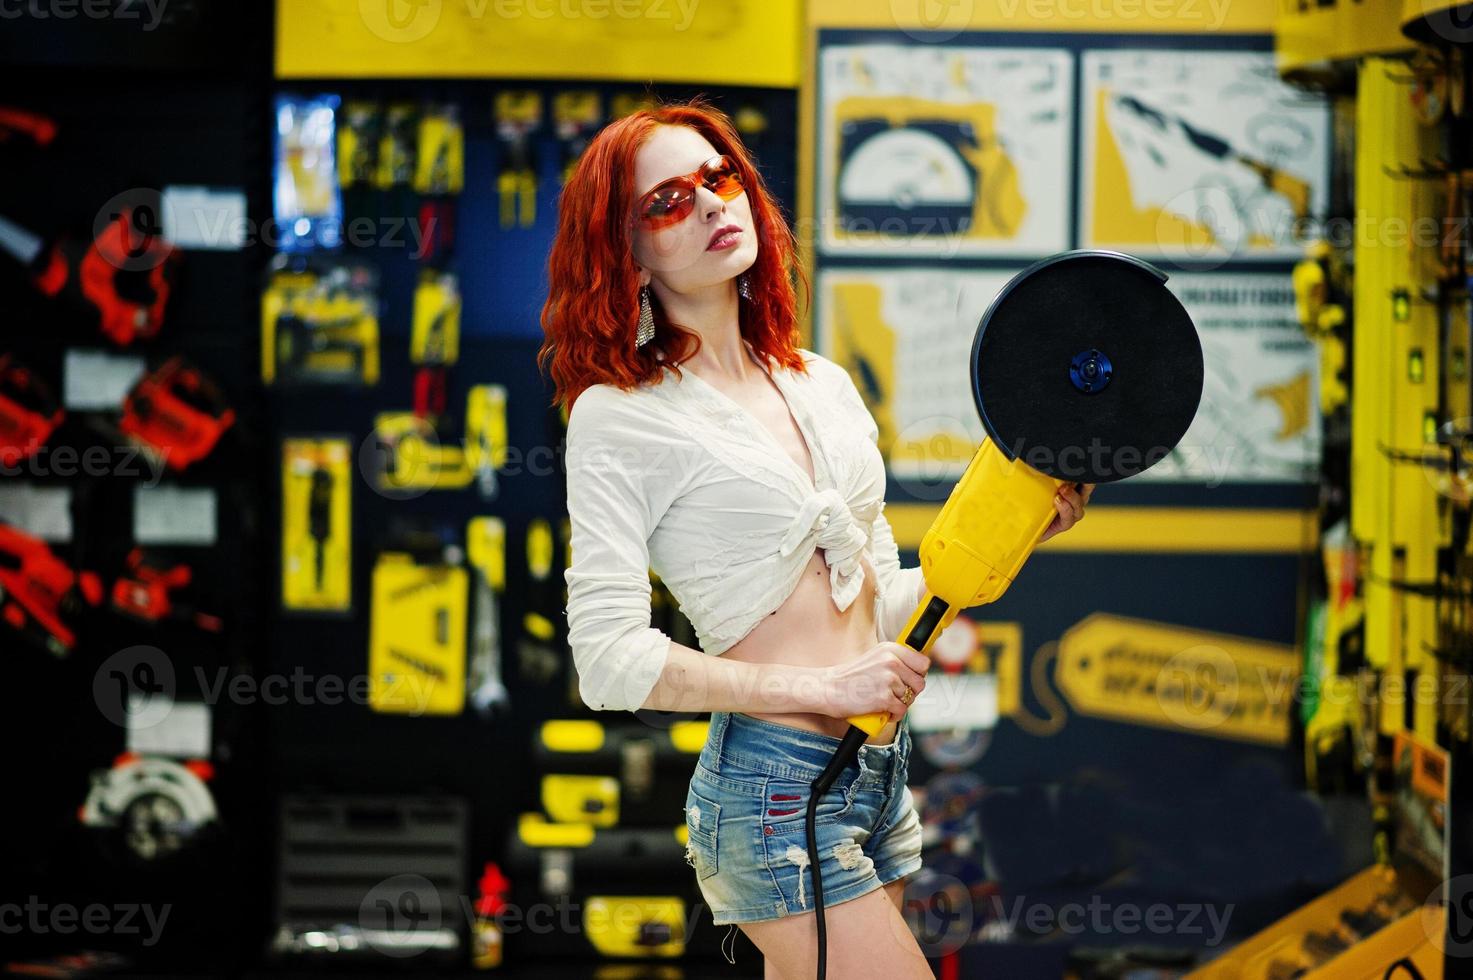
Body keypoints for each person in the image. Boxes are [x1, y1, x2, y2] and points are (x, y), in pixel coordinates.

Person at [538, 97, 1093, 980]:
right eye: (668, 200)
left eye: (718, 178)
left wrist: (1020, 526)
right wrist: (820, 683)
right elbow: (608, 663)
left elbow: (882, 608)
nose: (712, 203)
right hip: (771, 791)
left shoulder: (821, 383)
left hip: (876, 771)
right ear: (626, 252)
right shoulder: (619, 416)